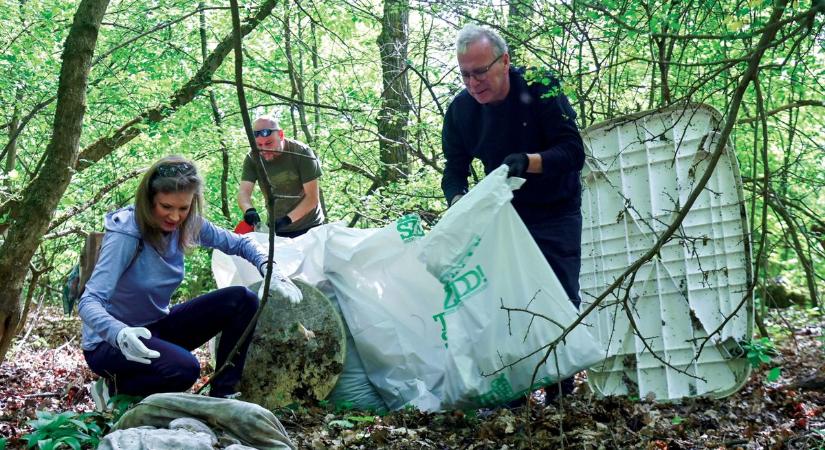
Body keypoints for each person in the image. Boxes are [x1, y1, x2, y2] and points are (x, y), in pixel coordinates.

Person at [78, 155, 303, 408]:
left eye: (183, 208)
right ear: (149, 200)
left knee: (242, 299)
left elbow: (239, 243)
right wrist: (119, 333)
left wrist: (269, 268)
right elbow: (89, 300)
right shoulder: (127, 233)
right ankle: (113, 388)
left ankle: (223, 396)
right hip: (111, 342)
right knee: (185, 371)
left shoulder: (189, 224)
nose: (175, 217)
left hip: (156, 326)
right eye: (166, 207)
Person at [440, 24, 585, 403]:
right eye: (465, 75)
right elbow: (454, 169)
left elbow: (573, 152)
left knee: (557, 297)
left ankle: (560, 392)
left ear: (504, 61)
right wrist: (459, 203)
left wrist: (529, 162)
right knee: (503, 304)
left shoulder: (540, 88)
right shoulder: (461, 111)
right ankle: (514, 394)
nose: (474, 83)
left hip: (555, 210)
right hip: (503, 219)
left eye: (480, 72)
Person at [238, 115, 324, 238]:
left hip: (311, 227)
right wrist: (249, 210)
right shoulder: (253, 158)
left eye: (269, 143)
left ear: (281, 135)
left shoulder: (301, 152)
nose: (264, 149)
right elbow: (243, 193)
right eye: (259, 145)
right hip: (278, 231)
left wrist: (286, 220)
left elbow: (312, 198)